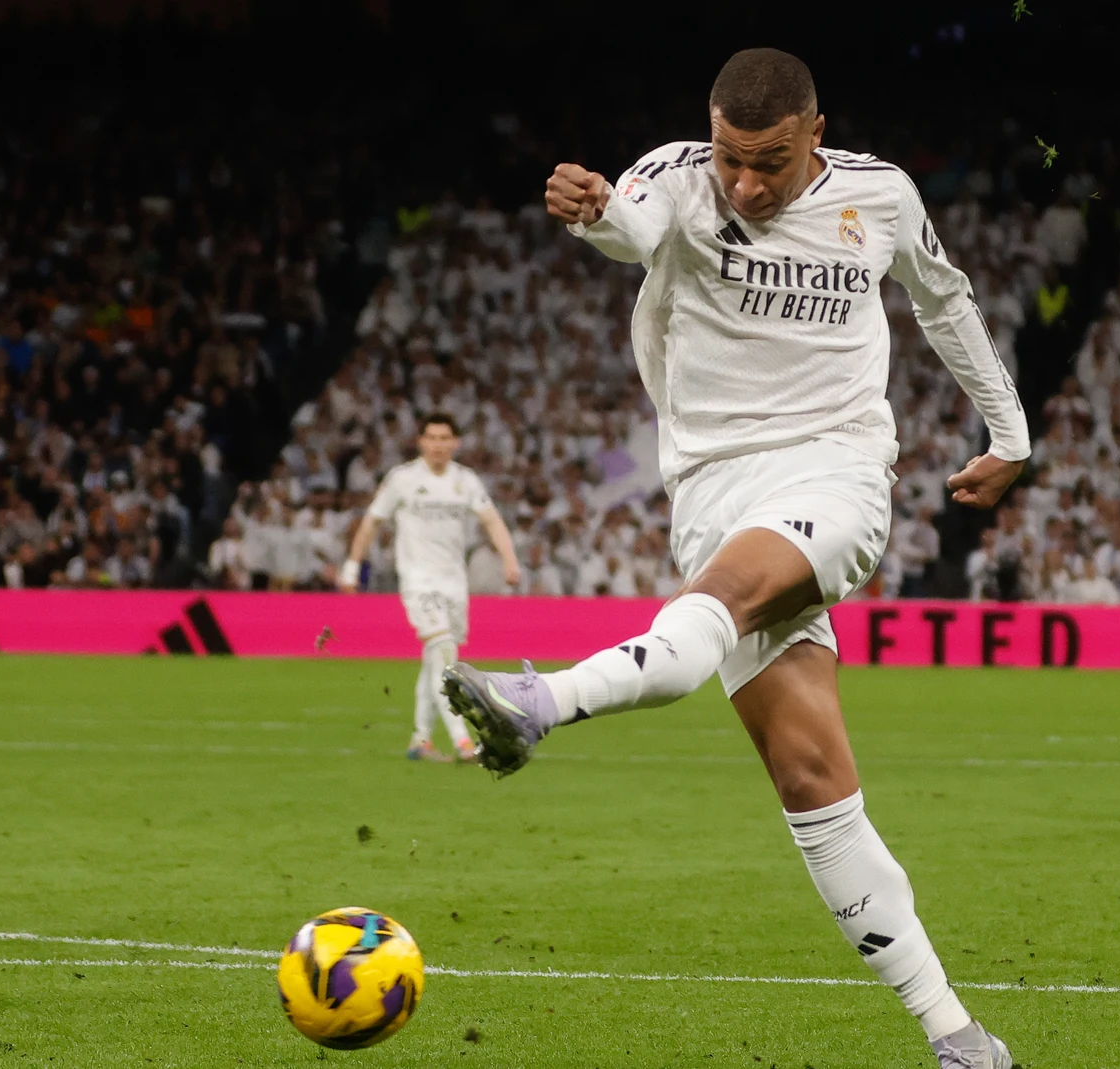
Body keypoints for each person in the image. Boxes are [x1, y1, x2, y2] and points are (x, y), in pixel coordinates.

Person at [441, 49, 1027, 1069]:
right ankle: (959, 1036)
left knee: (714, 601)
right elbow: (630, 230)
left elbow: (943, 297)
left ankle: (542, 703)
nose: (745, 185)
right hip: (710, 490)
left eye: (767, 163)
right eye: (730, 160)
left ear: (814, 133)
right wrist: (590, 210)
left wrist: (1009, 434)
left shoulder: (877, 195)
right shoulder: (672, 176)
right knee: (810, 779)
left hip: (834, 473)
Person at [339, 414, 521, 763]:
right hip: (418, 581)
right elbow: (371, 521)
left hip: (454, 582)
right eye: (432, 437)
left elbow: (491, 520)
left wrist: (509, 559)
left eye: (445, 438)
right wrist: (352, 565)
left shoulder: (465, 481)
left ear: (456, 443)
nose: (438, 444)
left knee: (435, 659)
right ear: (420, 442)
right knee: (446, 654)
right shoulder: (403, 479)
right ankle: (463, 742)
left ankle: (421, 740)